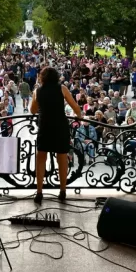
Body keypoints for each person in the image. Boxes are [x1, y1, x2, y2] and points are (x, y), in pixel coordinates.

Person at [30, 66, 83, 204]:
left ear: (42, 77)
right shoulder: (62, 89)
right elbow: (75, 106)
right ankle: (62, 191)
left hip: (45, 126)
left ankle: (39, 192)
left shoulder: (37, 91)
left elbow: (33, 110)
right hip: (60, 126)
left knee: (41, 158)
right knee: (62, 158)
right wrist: (79, 117)